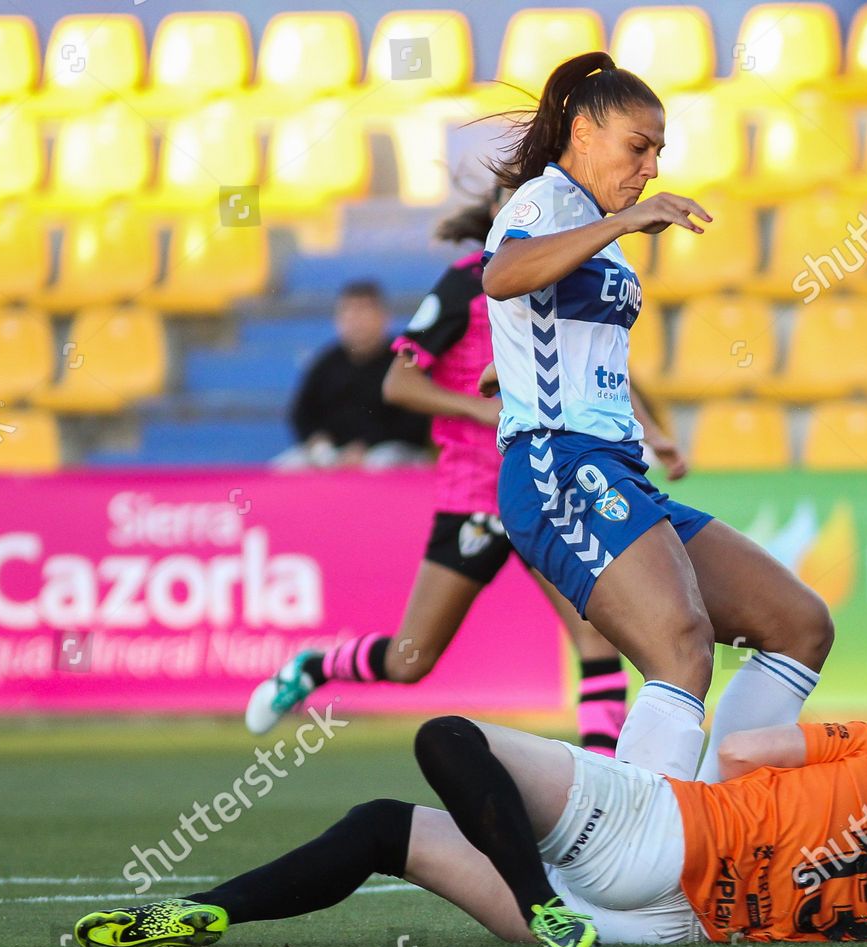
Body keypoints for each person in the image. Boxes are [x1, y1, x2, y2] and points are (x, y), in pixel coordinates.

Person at [478, 51, 836, 782]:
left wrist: (506, 363)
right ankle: (632, 869)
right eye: (637, 147)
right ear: (582, 131)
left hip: (617, 467)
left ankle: (716, 818)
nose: (649, 167)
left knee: (799, 624)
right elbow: (503, 274)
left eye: (658, 153)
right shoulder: (546, 202)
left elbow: (556, 325)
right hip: (558, 466)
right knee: (680, 646)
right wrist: (629, 221)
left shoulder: (587, 222)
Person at [71, 714, 867, 947]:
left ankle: (210, 906)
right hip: (657, 930)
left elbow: (748, 747)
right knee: (397, 831)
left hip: (662, 834)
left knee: (442, 745)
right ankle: (542, 907)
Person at [246, 195, 691, 759]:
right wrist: (481, 410)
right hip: (476, 495)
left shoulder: (568, 272)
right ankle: (317, 665)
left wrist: (650, 430)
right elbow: (398, 385)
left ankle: (600, 788)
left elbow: (604, 364)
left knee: (594, 638)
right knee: (411, 659)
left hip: (545, 486)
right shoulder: (464, 283)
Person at [278, 280, 430, 468]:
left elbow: (417, 421)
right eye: (348, 312)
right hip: (333, 454)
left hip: (388, 451)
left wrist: (366, 445)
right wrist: (317, 441)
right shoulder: (327, 362)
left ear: (384, 317)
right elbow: (302, 414)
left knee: (381, 463)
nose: (356, 320)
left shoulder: (404, 361)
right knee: (287, 467)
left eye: (363, 311)